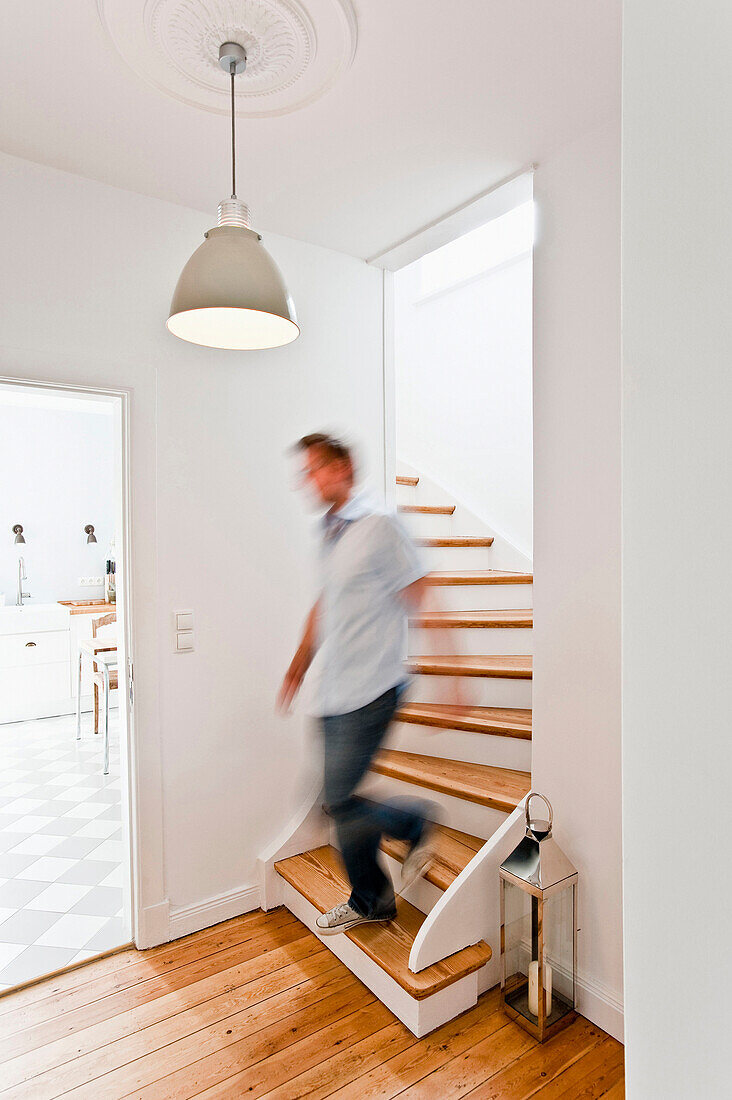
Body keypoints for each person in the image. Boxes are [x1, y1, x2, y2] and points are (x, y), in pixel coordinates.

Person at [278, 433, 435, 935]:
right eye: (306, 471)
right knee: (336, 803)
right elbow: (325, 605)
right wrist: (299, 665)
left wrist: (450, 672)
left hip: (373, 688)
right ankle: (374, 900)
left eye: (318, 468)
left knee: (341, 800)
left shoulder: (380, 526)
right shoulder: (331, 533)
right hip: (334, 690)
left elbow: (420, 593)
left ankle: (411, 822)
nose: (310, 480)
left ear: (344, 468)